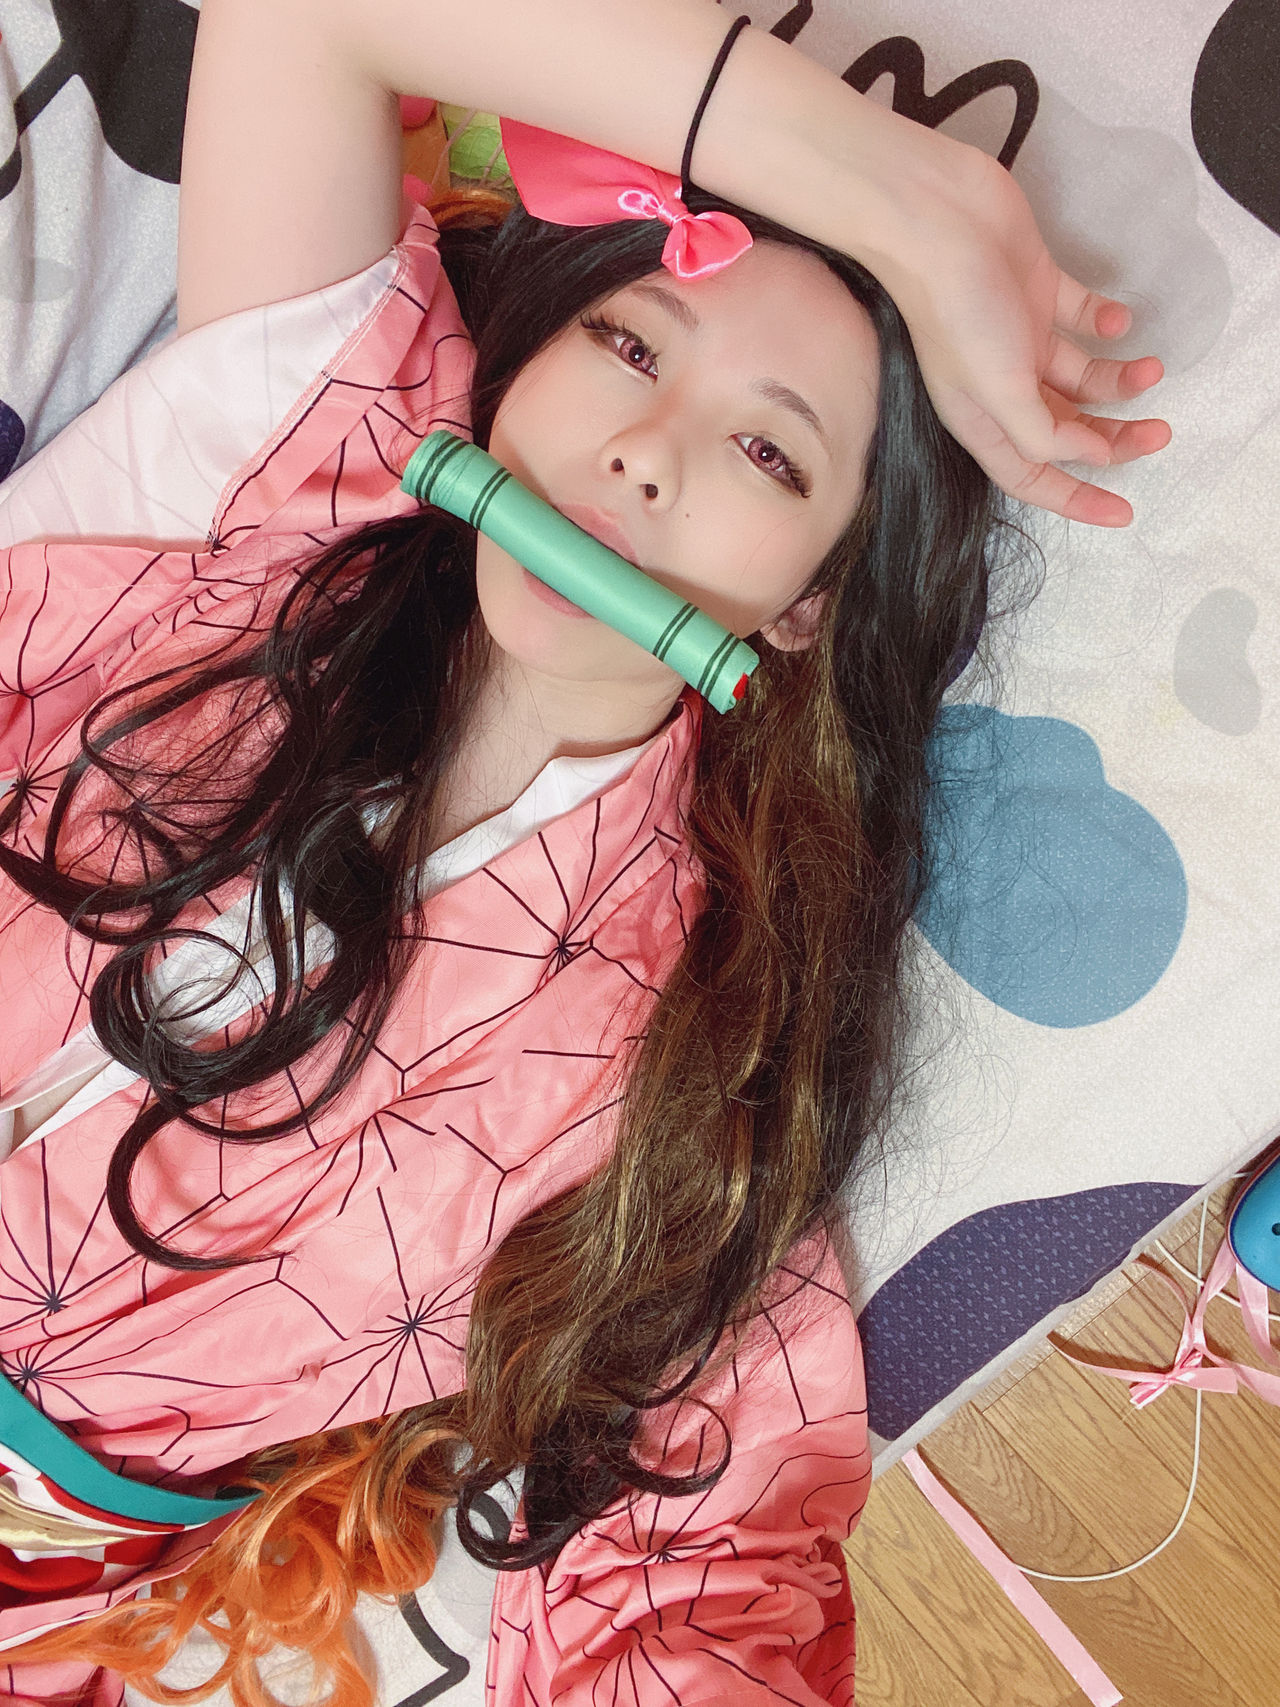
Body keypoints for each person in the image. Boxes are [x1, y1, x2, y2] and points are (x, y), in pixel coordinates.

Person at [0, 1, 1170, 1702]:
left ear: (810, 603)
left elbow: (701, 1586)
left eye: (767, 450)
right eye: (628, 342)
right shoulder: (310, 467)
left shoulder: (700, 1049)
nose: (641, 452)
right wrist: (905, 201)